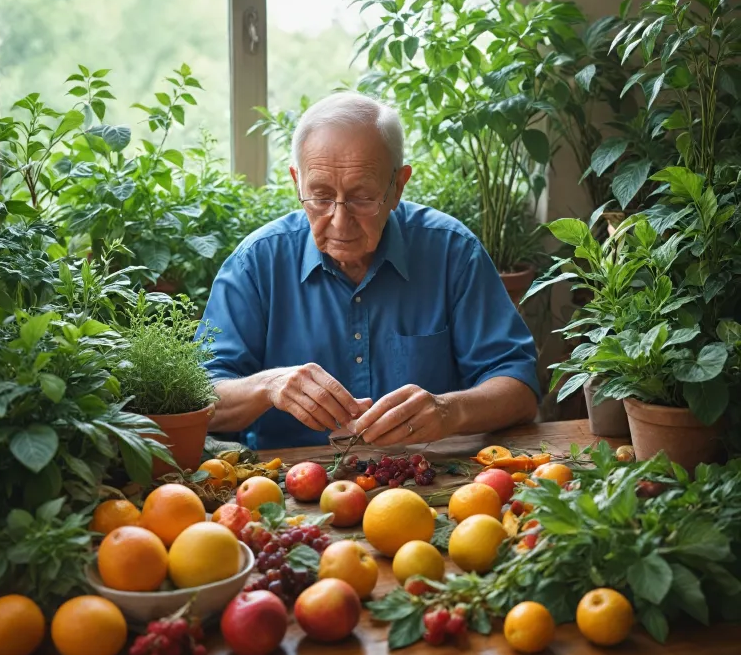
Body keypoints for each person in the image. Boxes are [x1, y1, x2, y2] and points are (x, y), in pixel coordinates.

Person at [199, 91, 539, 449]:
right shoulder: (256, 263)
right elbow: (199, 399)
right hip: (285, 485)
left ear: (397, 187)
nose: (340, 221)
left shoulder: (452, 252)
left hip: (433, 479)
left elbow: (519, 387)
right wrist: (267, 387)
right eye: (321, 196)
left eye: (363, 197)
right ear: (296, 182)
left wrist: (448, 410)